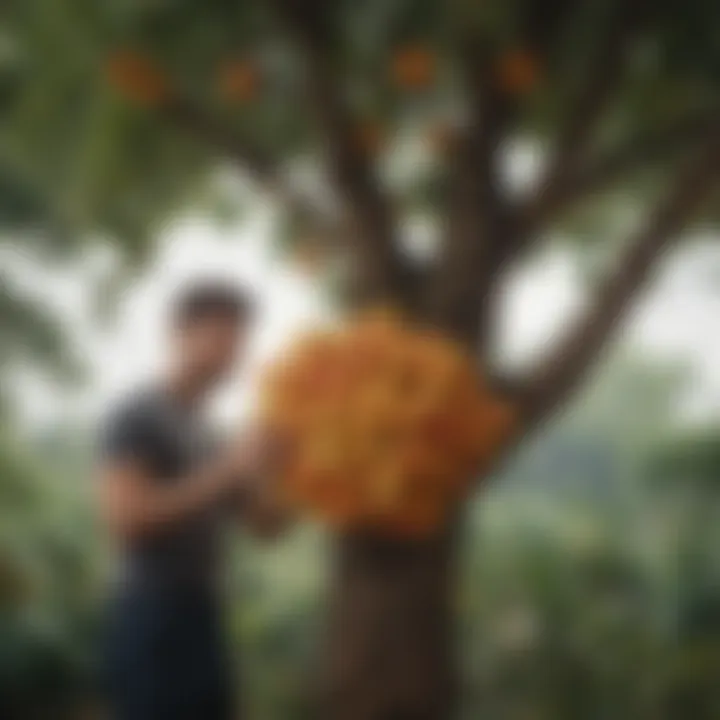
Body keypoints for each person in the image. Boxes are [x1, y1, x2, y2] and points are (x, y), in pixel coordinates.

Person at [97, 280, 288, 720]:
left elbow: (267, 528)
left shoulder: (211, 432)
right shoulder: (136, 413)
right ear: (179, 333)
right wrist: (232, 468)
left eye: (240, 338)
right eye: (221, 335)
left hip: (203, 612)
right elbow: (127, 520)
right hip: (150, 616)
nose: (234, 351)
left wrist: (283, 465)